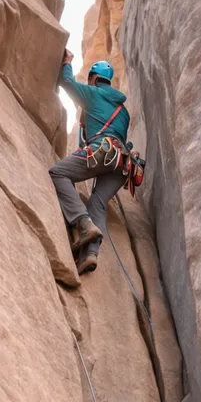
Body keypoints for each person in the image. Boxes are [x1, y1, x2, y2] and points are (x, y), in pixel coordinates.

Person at [49, 49, 130, 275]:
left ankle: (83, 224)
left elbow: (67, 83)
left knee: (59, 173)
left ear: (94, 78)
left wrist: (67, 62)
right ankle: (90, 254)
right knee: (98, 203)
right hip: (122, 164)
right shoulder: (123, 110)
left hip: (101, 152)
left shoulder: (94, 93)